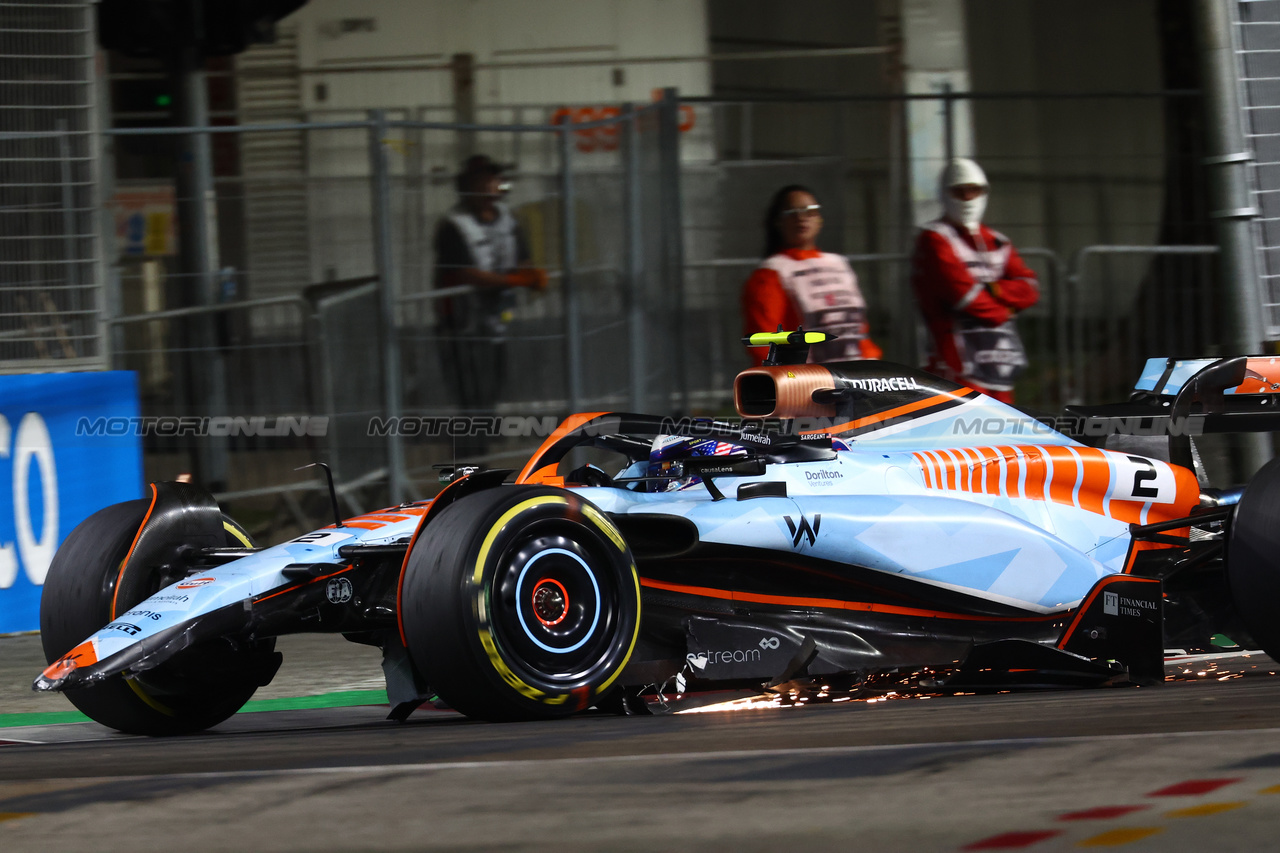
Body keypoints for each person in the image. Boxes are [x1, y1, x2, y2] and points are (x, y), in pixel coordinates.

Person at [911, 158, 1039, 404]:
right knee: (960, 431)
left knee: (1004, 431)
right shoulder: (934, 239)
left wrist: (995, 288)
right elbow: (964, 296)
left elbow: (1030, 288)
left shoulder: (998, 240)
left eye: (974, 190)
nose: (968, 198)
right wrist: (1005, 311)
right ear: (945, 194)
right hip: (956, 360)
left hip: (1000, 359)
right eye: (959, 192)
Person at [434, 155, 547, 421]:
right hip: (461, 328)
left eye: (493, 180)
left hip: (496, 324)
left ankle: (482, 456)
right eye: (481, 181)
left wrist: (531, 275)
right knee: (470, 401)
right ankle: (470, 461)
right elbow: (464, 273)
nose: (489, 187)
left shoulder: (508, 220)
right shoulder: (454, 224)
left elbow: (521, 258)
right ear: (467, 187)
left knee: (491, 395)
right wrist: (512, 281)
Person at [740, 184, 882, 366]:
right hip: (807, 383)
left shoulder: (839, 264)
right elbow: (764, 343)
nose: (801, 218)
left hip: (856, 380)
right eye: (792, 212)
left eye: (810, 211)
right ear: (777, 221)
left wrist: (873, 370)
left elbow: (859, 331)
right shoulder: (770, 273)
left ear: (820, 219)